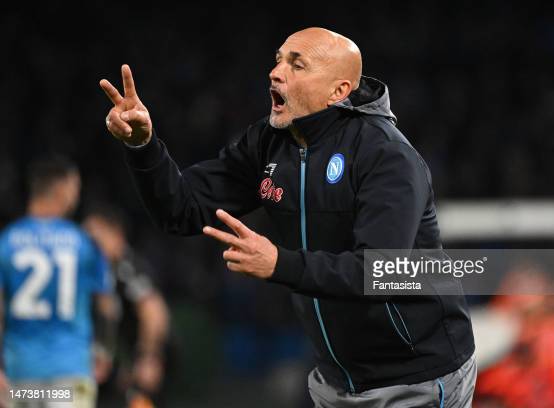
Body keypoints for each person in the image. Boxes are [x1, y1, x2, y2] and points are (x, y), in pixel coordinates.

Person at [100, 27, 476, 407]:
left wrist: (279, 263)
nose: (275, 72)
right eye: (279, 60)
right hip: (336, 381)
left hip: (415, 376)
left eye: (297, 65)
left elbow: (379, 272)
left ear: (338, 90)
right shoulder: (269, 143)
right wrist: (142, 146)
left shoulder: (386, 156)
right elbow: (182, 210)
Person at [0, 156, 116, 408]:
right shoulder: (85, 244)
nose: (77, 195)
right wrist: (104, 350)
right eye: (75, 187)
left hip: (21, 375)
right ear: (61, 188)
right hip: (69, 376)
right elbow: (107, 305)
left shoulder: (6, 242)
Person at [83, 205, 170, 408]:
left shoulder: (126, 266)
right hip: (108, 364)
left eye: (94, 241)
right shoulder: (92, 271)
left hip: (137, 362)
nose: (88, 247)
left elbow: (153, 311)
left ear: (117, 235)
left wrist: (148, 357)